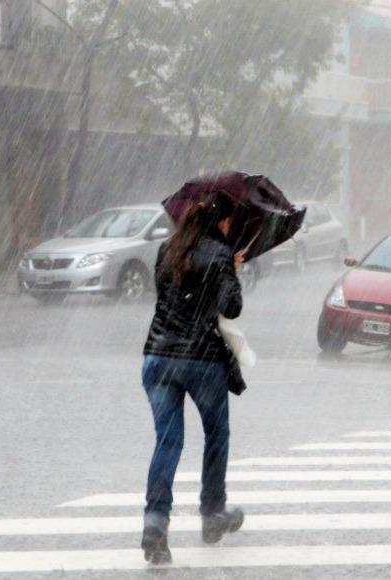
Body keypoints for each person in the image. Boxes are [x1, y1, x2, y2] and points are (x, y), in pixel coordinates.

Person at [140, 190, 246, 564]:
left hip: (157, 357)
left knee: (167, 443)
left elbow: (167, 295)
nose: (231, 228)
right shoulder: (219, 254)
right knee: (216, 433)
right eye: (230, 222)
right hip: (201, 360)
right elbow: (230, 306)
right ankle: (212, 513)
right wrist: (230, 269)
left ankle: (155, 524)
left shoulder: (166, 249)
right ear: (222, 221)